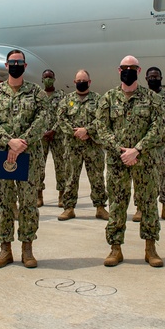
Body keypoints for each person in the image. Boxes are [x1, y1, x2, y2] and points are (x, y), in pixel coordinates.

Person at [0, 50, 51, 268]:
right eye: (12, 62)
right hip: (3, 155)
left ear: (25, 66)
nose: (16, 65)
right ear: (6, 65)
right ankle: (5, 249)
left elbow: (43, 118)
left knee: (28, 204)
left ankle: (27, 249)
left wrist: (22, 143)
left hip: (28, 156)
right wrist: (10, 142)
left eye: (19, 62)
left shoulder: (36, 92)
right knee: (3, 204)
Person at [96, 56, 165, 268]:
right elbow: (101, 127)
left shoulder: (151, 98)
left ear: (138, 70)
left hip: (144, 161)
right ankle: (115, 249)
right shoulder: (108, 98)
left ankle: (150, 249)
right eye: (125, 68)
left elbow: (158, 127)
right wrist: (120, 150)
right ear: (119, 70)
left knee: (148, 204)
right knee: (117, 204)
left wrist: (137, 150)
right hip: (118, 163)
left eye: (132, 68)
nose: (128, 71)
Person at [58, 69, 108, 221]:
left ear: (90, 82)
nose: (81, 83)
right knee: (71, 177)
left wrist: (87, 130)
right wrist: (75, 132)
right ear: (74, 82)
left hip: (93, 146)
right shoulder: (67, 100)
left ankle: (100, 208)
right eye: (78, 81)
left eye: (84, 80)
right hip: (73, 146)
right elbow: (61, 118)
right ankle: (69, 208)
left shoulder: (98, 100)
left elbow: (102, 119)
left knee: (97, 177)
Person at [145, 66, 165, 222]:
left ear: (161, 78)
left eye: (156, 76)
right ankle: (141, 209)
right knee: (144, 180)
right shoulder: (141, 98)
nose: (153, 79)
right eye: (150, 77)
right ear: (146, 79)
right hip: (146, 148)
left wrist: (158, 134)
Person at [36, 69, 67, 208]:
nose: (48, 79)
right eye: (45, 77)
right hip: (41, 137)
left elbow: (63, 116)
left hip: (57, 136)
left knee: (61, 166)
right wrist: (43, 131)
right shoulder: (38, 96)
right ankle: (38, 194)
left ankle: (62, 194)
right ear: (42, 79)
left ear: (54, 79)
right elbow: (36, 115)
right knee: (39, 166)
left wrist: (53, 130)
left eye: (50, 77)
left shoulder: (61, 95)